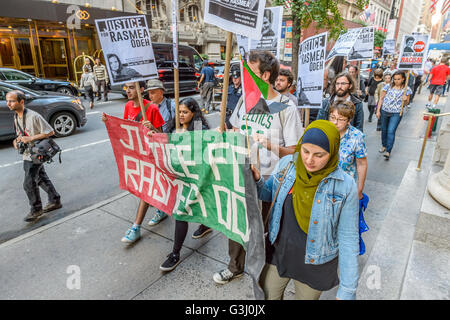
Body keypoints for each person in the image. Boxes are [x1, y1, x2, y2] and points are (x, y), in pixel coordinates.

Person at [213, 50, 303, 285]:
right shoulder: (245, 99)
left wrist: (271, 145)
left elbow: (296, 151)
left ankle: (261, 269)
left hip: (268, 181)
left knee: (261, 230)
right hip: (240, 174)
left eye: (249, 73)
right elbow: (234, 131)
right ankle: (235, 266)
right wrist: (224, 134)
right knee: (235, 223)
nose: (243, 78)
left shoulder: (286, 107)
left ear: (265, 75)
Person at [252, 120, 359, 300]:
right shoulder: (287, 164)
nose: (309, 160)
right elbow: (267, 193)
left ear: (332, 153)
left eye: (319, 155)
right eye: (305, 151)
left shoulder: (345, 187)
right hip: (279, 252)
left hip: (315, 263)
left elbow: (348, 238)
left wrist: (348, 290)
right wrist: (256, 180)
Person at [101, 81, 165, 243]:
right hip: (137, 155)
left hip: (151, 155)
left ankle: (136, 227)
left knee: (145, 189)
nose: (127, 91)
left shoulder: (152, 108)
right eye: (126, 88)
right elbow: (125, 129)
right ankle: (161, 208)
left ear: (142, 90)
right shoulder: (128, 106)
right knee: (149, 186)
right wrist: (109, 122)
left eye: (131, 87)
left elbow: (162, 136)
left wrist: (152, 128)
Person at [159, 98, 212, 272]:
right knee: (181, 211)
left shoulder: (199, 130)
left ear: (194, 113)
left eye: (185, 112)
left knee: (183, 212)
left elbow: (204, 152)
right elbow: (163, 141)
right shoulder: (173, 127)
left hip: (196, 177)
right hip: (178, 178)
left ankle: (175, 254)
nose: (181, 115)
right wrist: (151, 130)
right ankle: (203, 226)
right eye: (179, 112)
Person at [7, 90, 62, 222]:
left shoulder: (34, 116)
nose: (8, 103)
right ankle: (55, 200)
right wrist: (17, 140)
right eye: (8, 100)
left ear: (21, 102)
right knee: (40, 177)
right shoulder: (16, 116)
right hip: (29, 154)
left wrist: (31, 137)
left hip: (36, 153)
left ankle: (36, 209)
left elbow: (50, 131)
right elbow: (21, 133)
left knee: (28, 183)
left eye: (12, 101)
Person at [143, 78, 176, 226]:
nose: (151, 95)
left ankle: (166, 206)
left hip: (170, 148)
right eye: (149, 93)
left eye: (154, 92)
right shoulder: (147, 108)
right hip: (154, 149)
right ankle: (161, 207)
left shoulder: (172, 105)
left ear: (161, 92)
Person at [328, 100, 367, 200]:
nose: (335, 122)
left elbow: (361, 164)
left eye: (341, 119)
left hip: (344, 190)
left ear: (348, 121)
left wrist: (359, 190)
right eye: (332, 118)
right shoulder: (325, 131)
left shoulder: (356, 137)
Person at [376, 70, 412, 160]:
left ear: (403, 79)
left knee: (391, 131)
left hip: (396, 113)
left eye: (398, 79)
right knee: (384, 130)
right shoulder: (388, 86)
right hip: (384, 111)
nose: (396, 81)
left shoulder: (406, 89)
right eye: (395, 79)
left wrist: (405, 100)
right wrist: (378, 110)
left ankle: (388, 151)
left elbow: (407, 103)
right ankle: (384, 145)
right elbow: (381, 98)